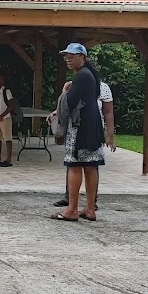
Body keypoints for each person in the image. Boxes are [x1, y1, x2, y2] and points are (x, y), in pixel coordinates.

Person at [51, 43, 105, 222]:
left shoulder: (81, 76)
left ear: (82, 57)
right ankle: (90, 208)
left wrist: (64, 91)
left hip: (80, 127)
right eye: (66, 56)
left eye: (71, 56)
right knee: (91, 165)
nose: (67, 59)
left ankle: (72, 209)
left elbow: (69, 104)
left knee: (73, 165)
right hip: (93, 125)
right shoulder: (91, 76)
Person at [51, 72, 116, 208]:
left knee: (91, 165)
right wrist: (57, 110)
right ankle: (69, 197)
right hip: (74, 130)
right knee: (73, 165)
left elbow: (108, 112)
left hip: (93, 130)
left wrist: (110, 134)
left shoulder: (102, 88)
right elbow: (66, 105)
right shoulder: (73, 85)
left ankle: (91, 202)